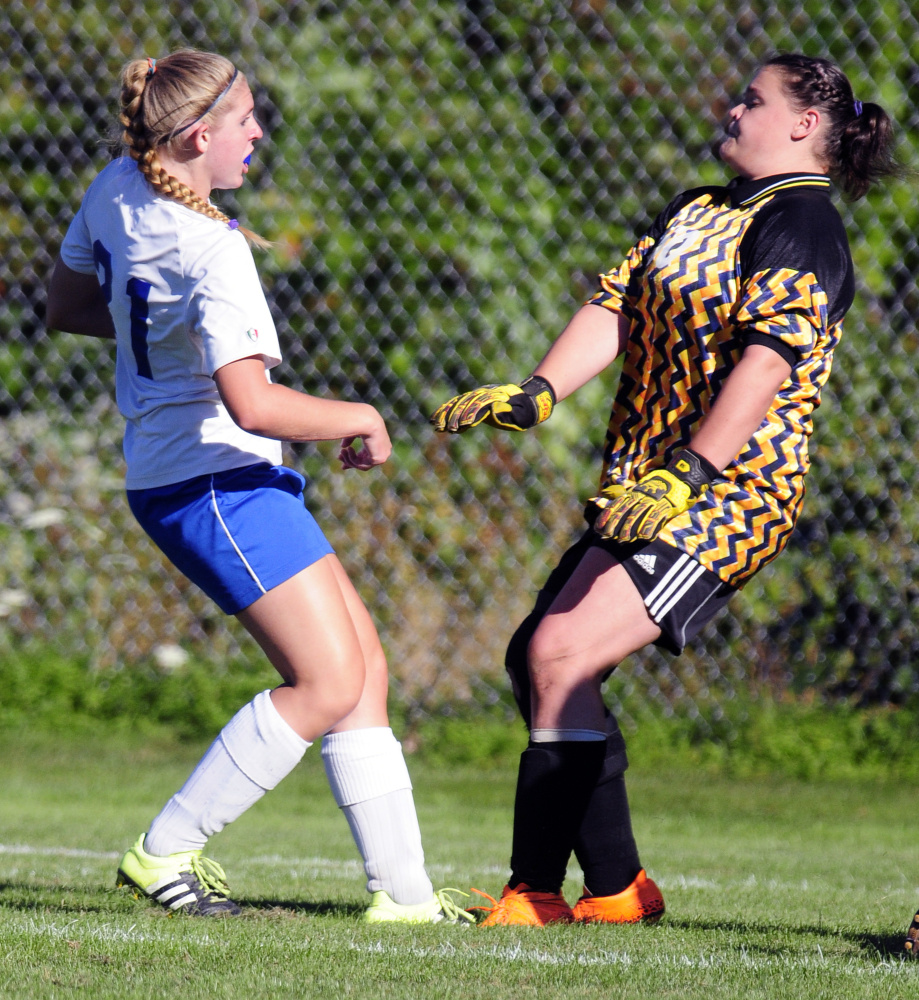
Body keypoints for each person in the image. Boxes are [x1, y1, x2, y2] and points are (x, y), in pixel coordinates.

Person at [431, 52, 896, 926]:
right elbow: (614, 304)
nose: (731, 107)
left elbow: (766, 364)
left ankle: (533, 893)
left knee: (559, 656)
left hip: (727, 494)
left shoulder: (802, 224)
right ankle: (615, 888)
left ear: (803, 126)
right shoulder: (698, 208)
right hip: (643, 486)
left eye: (752, 100)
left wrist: (688, 472)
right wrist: (536, 392)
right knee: (537, 659)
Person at [46, 49, 471, 924]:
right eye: (245, 120)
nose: (258, 134)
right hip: (212, 480)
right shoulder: (214, 246)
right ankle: (165, 851)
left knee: (362, 675)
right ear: (200, 134)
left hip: (194, 474)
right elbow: (251, 400)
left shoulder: (115, 185)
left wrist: (156, 339)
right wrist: (362, 414)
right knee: (325, 681)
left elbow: (66, 307)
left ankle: (405, 897)